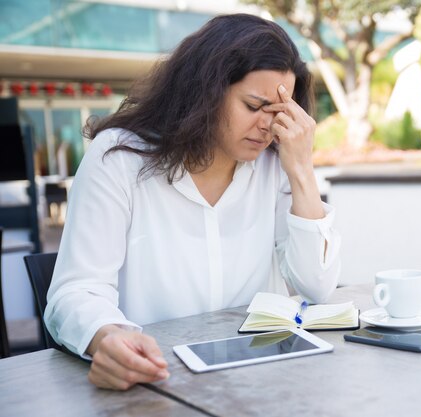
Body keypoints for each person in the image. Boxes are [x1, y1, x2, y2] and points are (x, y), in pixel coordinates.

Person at [44, 13, 341, 391]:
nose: (268, 127)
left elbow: (316, 286)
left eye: (279, 112)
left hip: (261, 383)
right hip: (155, 381)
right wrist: (106, 336)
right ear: (206, 91)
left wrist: (301, 169)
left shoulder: (276, 165)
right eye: (254, 106)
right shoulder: (119, 159)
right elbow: (76, 291)